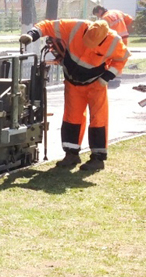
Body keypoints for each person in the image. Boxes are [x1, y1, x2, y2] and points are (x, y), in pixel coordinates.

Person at [20, 19, 130, 171]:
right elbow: (47, 26)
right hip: (72, 83)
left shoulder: (114, 41)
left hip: (96, 84)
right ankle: (71, 154)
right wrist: (32, 34)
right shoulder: (76, 27)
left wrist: (105, 78)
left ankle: (98, 158)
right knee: (71, 118)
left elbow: (122, 59)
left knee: (98, 119)